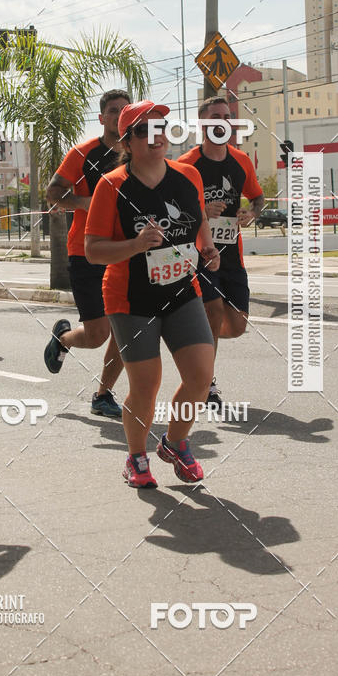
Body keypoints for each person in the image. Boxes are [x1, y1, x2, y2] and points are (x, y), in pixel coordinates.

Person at [84, 100, 219, 488]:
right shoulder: (112, 186)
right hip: (131, 298)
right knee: (146, 384)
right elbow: (93, 250)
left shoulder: (188, 175)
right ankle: (136, 457)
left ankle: (175, 443)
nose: (155, 136)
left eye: (161, 127)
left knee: (200, 374)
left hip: (182, 290)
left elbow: (200, 222)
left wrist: (207, 249)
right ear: (127, 141)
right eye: (143, 130)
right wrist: (136, 245)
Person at [43, 89, 129, 418]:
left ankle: (103, 395)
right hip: (87, 251)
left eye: (125, 110)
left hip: (127, 251)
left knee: (126, 328)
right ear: (103, 118)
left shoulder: (139, 153)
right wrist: (85, 202)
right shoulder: (83, 153)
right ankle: (64, 338)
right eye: (113, 110)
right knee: (97, 335)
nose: (119, 115)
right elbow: (53, 192)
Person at [178, 97, 264, 405]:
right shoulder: (186, 164)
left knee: (237, 325)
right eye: (215, 116)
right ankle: (206, 383)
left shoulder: (241, 160)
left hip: (232, 256)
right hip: (200, 255)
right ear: (202, 124)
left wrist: (251, 213)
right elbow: (172, 211)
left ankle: (194, 339)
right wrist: (200, 210)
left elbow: (257, 197)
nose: (223, 121)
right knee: (212, 312)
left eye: (227, 116)